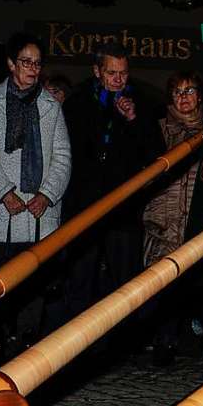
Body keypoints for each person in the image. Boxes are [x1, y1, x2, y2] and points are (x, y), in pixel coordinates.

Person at [0, 32, 71, 352]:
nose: (32, 68)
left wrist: (46, 195)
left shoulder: (51, 107)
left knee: (35, 289)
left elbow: (62, 156)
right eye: (25, 62)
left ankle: (26, 347)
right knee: (2, 285)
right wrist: (4, 192)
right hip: (3, 215)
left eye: (37, 63)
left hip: (38, 215)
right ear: (11, 64)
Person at [62, 40, 162, 322]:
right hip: (85, 208)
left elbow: (156, 154)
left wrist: (132, 120)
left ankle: (123, 345)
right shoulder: (77, 104)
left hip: (124, 210)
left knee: (124, 283)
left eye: (123, 73)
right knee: (81, 280)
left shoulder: (142, 103)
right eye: (111, 73)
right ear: (97, 71)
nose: (118, 80)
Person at [141, 71, 203, 364]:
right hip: (163, 220)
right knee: (160, 284)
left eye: (189, 90)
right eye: (178, 92)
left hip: (196, 218)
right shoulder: (158, 129)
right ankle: (161, 341)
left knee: (195, 285)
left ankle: (197, 339)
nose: (184, 97)